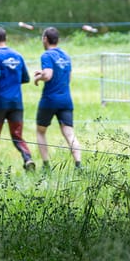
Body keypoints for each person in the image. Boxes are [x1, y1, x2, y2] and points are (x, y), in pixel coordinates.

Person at [0, 26, 35, 174]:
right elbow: (26, 78)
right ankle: (28, 158)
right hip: (16, 102)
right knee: (17, 135)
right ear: (6, 38)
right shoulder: (17, 55)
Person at [32, 27, 82, 171]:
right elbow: (69, 77)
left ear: (45, 39)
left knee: (40, 131)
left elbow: (48, 75)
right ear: (58, 40)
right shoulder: (66, 56)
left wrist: (38, 78)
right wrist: (44, 73)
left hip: (49, 100)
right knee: (69, 133)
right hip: (66, 99)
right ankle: (78, 164)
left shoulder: (47, 55)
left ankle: (46, 165)